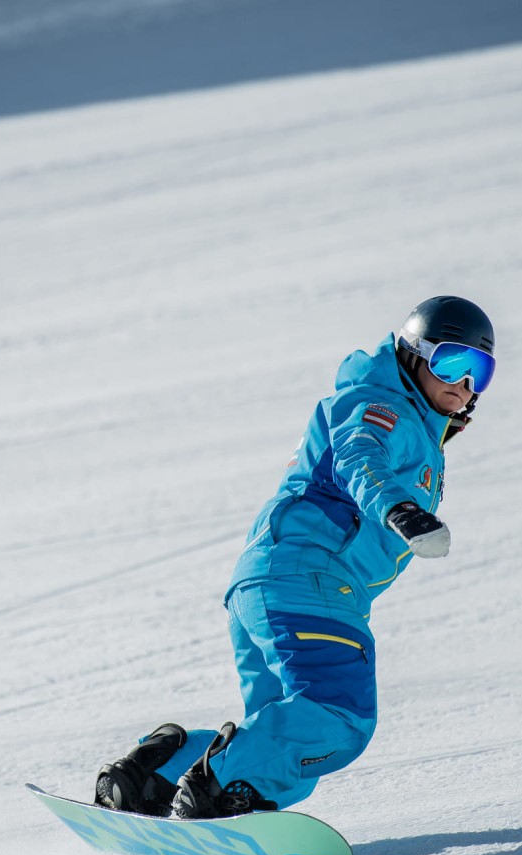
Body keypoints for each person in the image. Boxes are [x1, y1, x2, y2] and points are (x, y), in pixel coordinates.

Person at [95, 295, 496, 819]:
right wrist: (400, 510)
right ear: (413, 353)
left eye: (480, 372)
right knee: (339, 716)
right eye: (451, 362)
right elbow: (360, 456)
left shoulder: (409, 423)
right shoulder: (383, 406)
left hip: (270, 584)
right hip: (313, 581)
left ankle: (155, 780)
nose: (464, 384)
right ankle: (217, 788)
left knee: (282, 744)